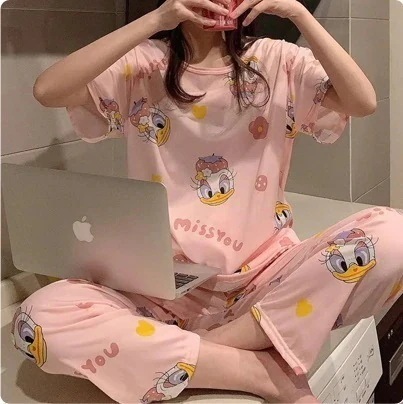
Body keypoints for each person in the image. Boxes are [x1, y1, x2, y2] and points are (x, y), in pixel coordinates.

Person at [11, 0, 403, 402]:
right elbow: (48, 90)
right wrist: (158, 19)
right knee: (36, 321)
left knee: (394, 235)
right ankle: (256, 371)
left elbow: (362, 102)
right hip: (160, 288)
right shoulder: (142, 64)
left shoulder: (278, 60)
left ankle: (204, 348)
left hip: (265, 280)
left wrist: (298, 13)